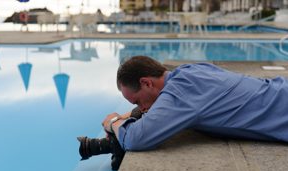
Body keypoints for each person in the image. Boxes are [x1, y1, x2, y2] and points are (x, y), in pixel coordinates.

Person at [102, 55, 288, 151]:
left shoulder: (180, 94)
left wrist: (113, 122)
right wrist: (128, 115)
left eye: (137, 101)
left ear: (146, 83)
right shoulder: (191, 70)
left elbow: (135, 139)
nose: (141, 108)